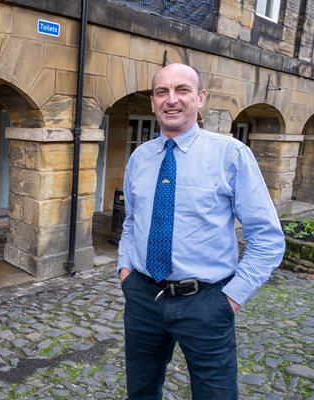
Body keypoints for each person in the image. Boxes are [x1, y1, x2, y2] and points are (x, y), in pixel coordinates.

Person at [117, 63, 285, 399]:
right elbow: (132, 222)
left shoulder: (230, 154)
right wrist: (126, 272)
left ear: (200, 98)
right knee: (140, 390)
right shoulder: (140, 157)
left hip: (207, 302)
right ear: (152, 102)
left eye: (182, 90)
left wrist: (231, 299)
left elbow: (266, 237)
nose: (171, 100)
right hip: (143, 298)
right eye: (161, 92)